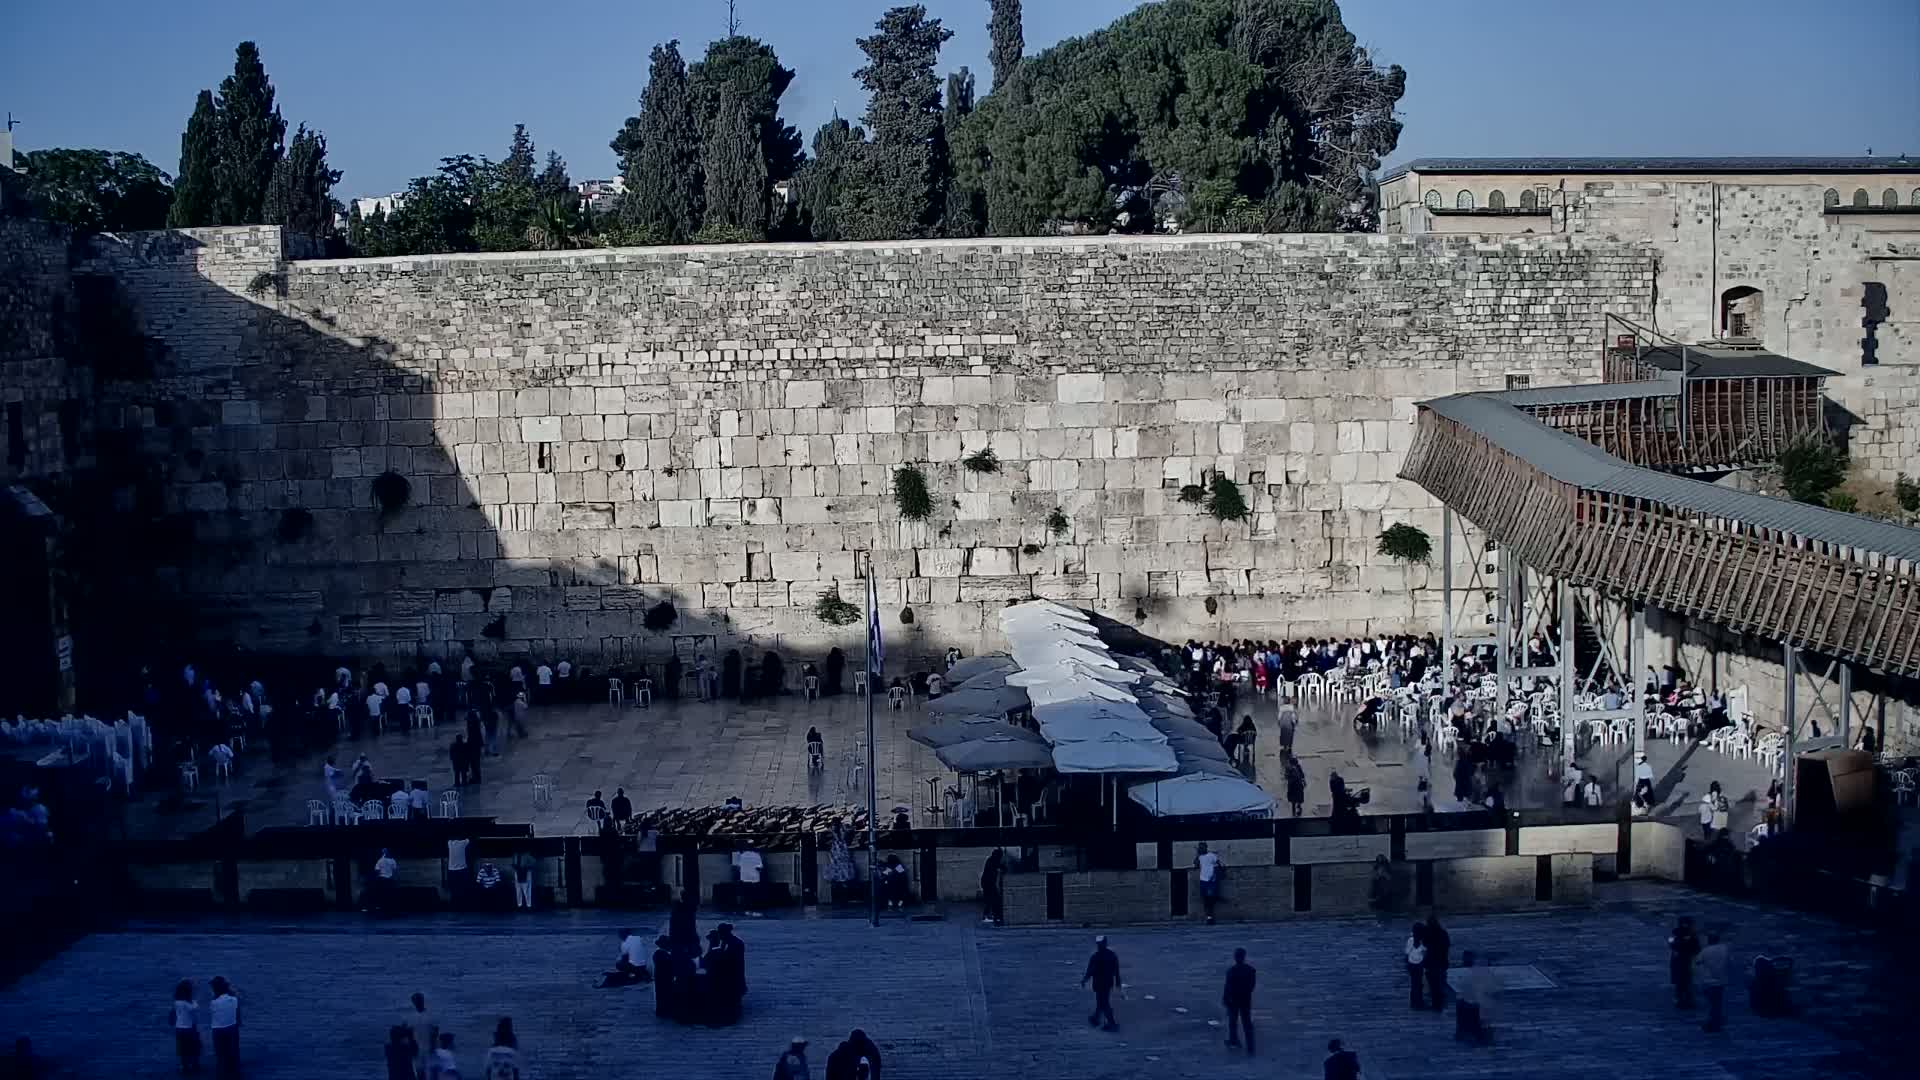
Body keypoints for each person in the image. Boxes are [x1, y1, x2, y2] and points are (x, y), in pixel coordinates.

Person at [1082, 935, 1122, 1031]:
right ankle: (1096, 1018)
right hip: (1107, 983)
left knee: (1103, 1003)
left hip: (1099, 983)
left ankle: (1111, 1024)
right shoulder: (1112, 955)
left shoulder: (1095, 956)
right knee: (1102, 1001)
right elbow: (1116, 970)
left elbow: (1090, 971)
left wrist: (1085, 979)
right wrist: (1118, 982)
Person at [1222, 948, 1256, 1053]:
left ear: (1236, 957)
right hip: (1245, 1000)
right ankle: (1250, 1046)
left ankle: (1234, 1040)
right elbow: (1252, 986)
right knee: (1247, 1023)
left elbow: (1227, 987)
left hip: (1233, 1000)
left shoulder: (1231, 971)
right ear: (1244, 957)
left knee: (1233, 1022)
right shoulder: (1251, 970)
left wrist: (1225, 999)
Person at [1454, 950, 1492, 1044]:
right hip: (1472, 1002)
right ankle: (1477, 1035)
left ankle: (1466, 1033)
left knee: (1467, 1020)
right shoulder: (1475, 974)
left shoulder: (1466, 974)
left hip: (1468, 1002)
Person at [1696, 931, 1729, 1032]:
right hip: (1721, 981)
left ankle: (1713, 1023)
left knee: (1711, 1004)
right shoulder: (1724, 949)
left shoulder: (1705, 951)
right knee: (1717, 1003)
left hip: (1708, 981)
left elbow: (1697, 962)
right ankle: (1717, 1022)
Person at [207, 977, 239, 1080]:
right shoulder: (234, 1000)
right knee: (233, 1049)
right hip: (232, 1028)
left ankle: (221, 1073)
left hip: (218, 1030)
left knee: (220, 1053)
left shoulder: (213, 1003)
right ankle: (233, 1070)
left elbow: (212, 1012)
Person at [1668, 916, 1700, 1009]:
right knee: (1686, 981)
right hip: (1685, 959)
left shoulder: (1676, 932)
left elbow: (1671, 943)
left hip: (1680, 959)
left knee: (1681, 981)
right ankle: (1686, 1000)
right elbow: (1696, 947)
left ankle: (1681, 999)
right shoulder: (1690, 933)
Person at [171, 979, 201, 1075]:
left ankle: (185, 1066)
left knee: (183, 1048)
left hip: (179, 1028)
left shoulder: (177, 1002)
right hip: (189, 1028)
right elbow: (194, 1008)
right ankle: (195, 1065)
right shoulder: (189, 1004)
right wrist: (195, 1002)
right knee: (194, 1046)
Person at [1423, 914, 1451, 1010]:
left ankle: (1436, 1004)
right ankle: (1440, 1003)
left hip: (1432, 962)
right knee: (1440, 983)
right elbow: (1447, 946)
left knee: (1433, 984)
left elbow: (1425, 944)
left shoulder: (1427, 933)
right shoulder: (1443, 933)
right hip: (1441, 961)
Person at [407, 993, 437, 1080]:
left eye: (418, 1000)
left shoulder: (429, 1016)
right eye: (416, 1001)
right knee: (421, 1074)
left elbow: (435, 1033)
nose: (418, 1003)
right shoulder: (412, 1017)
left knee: (427, 1075)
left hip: (427, 1050)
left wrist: (433, 1047)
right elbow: (409, 1034)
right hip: (418, 1050)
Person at [1194, 842, 1222, 924]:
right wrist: (1197, 855)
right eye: (1200, 847)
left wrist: (1215, 875)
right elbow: (1195, 865)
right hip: (1203, 880)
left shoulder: (1212, 855)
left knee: (1210, 899)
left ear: (1206, 848)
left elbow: (1219, 864)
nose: (1201, 849)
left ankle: (1210, 917)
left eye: (1202, 847)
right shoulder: (1200, 857)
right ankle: (1208, 917)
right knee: (1205, 899)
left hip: (1211, 881)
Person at [651, 936, 676, 1018]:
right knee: (664, 994)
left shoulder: (658, 954)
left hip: (660, 977)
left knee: (660, 994)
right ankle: (663, 1011)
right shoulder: (663, 954)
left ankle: (662, 1010)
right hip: (664, 978)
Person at [1404, 922, 1428, 1009]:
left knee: (1414, 984)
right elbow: (1425, 954)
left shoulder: (1410, 940)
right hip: (1418, 965)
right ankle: (1418, 1002)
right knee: (1418, 984)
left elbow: (1406, 953)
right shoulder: (1423, 943)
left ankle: (1414, 1002)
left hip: (1412, 965)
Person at [980, 848, 1005, 924]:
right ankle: (991, 916)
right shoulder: (993, 861)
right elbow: (1000, 866)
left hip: (987, 882)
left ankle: (989, 916)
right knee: (993, 899)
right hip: (988, 883)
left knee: (989, 900)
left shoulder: (991, 860)